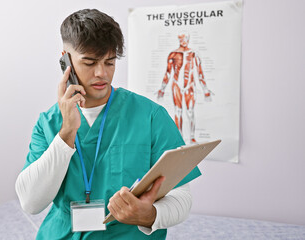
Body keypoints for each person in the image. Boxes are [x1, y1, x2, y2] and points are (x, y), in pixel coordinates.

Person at [15, 9, 201, 239]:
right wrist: (67, 133)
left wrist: (149, 215)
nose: (102, 73)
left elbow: (182, 196)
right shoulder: (49, 122)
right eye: (90, 63)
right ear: (66, 60)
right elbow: (31, 203)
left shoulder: (151, 116)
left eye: (109, 62)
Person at [157, 33, 213, 144]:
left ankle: (192, 137)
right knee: (178, 112)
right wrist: (162, 89)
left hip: (190, 86)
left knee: (190, 112)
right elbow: (168, 73)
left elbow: (200, 72)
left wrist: (205, 90)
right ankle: (179, 137)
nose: (184, 40)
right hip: (176, 85)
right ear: (179, 39)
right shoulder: (173, 54)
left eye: (186, 38)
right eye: (182, 38)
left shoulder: (193, 54)